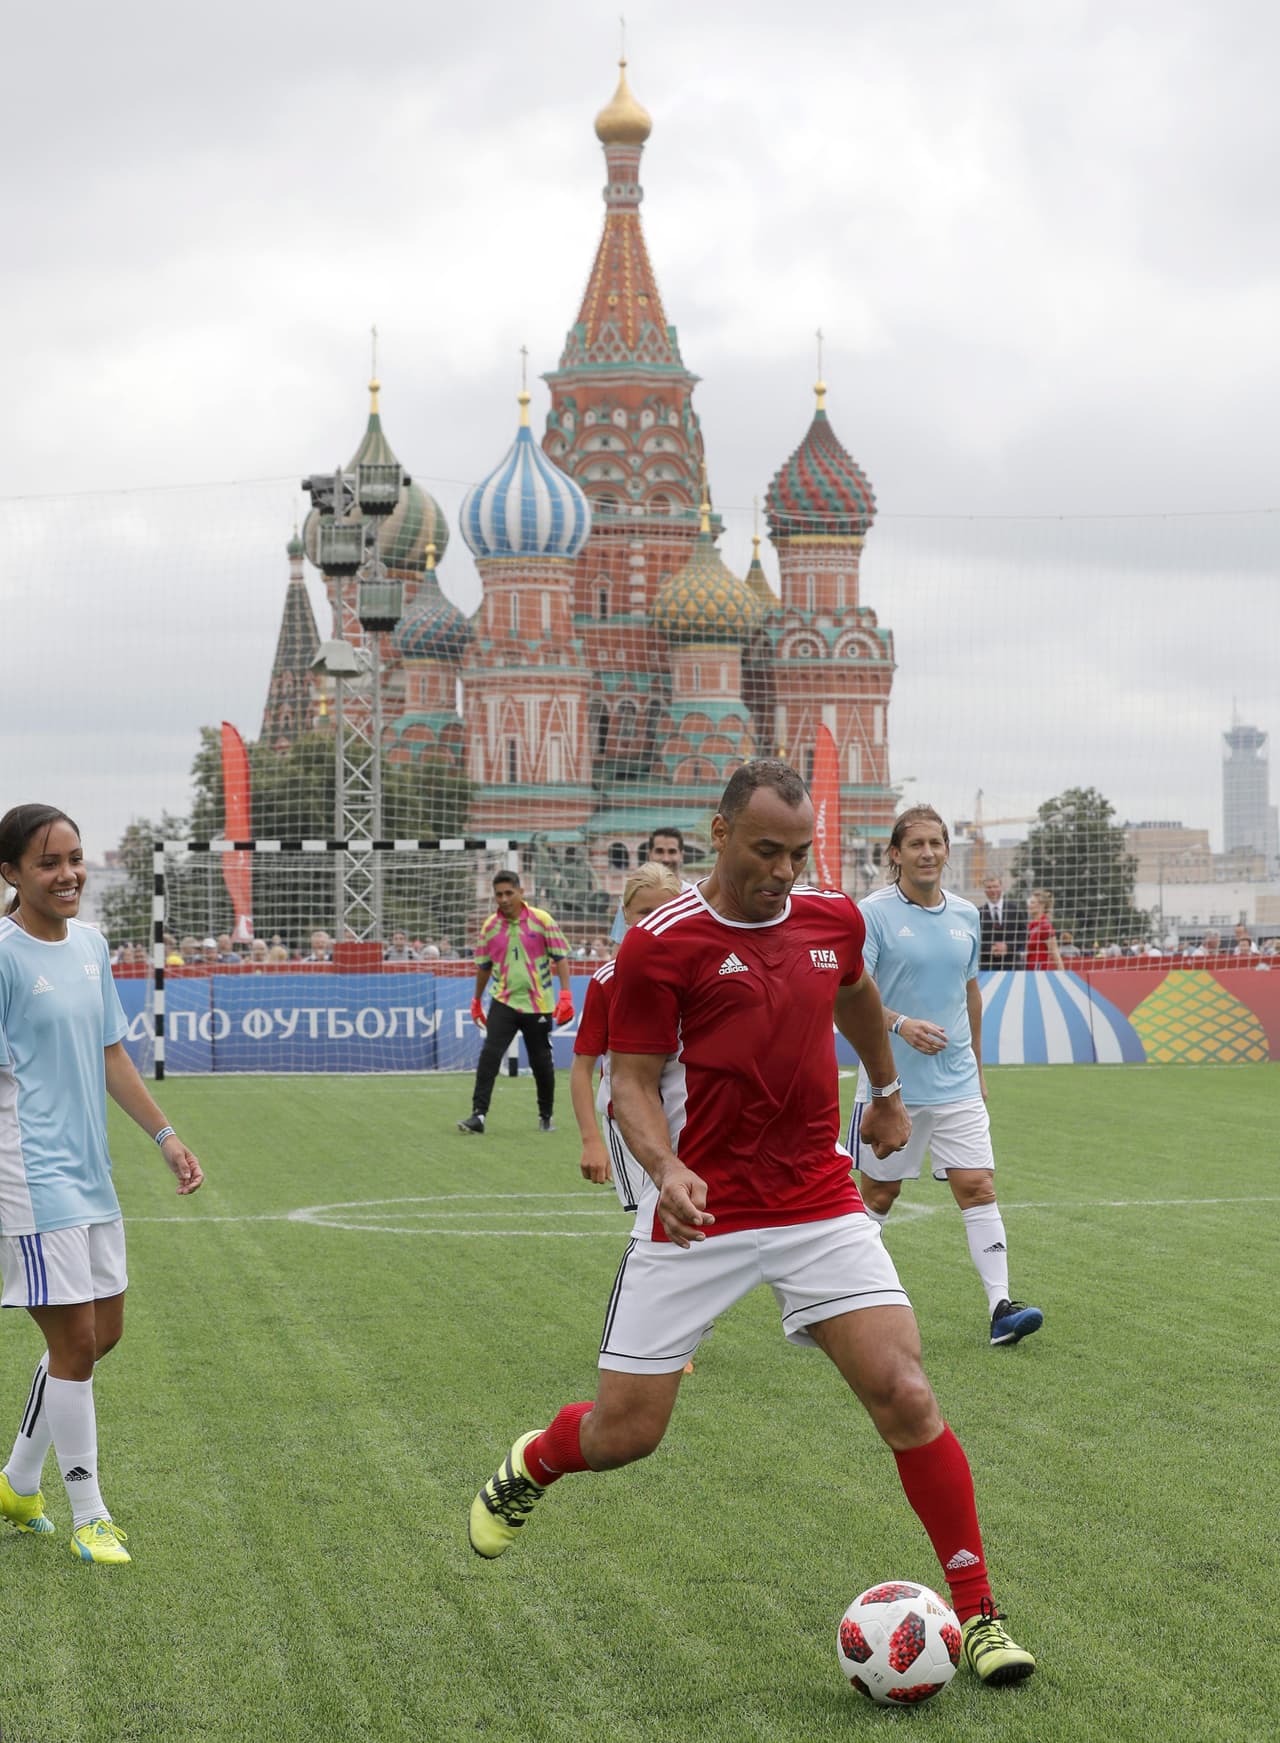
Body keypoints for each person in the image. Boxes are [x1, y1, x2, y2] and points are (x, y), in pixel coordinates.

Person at [467, 761, 1036, 1688]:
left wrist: (887, 1091)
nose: (782, 870)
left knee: (907, 1392)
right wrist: (666, 1167)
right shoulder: (661, 943)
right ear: (720, 831)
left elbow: (852, 991)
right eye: (765, 850)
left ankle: (978, 1616)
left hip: (817, 1201)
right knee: (626, 1433)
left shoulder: (829, 919)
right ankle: (533, 1459)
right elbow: (632, 1083)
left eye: (797, 853)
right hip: (701, 1210)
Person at [0, 804, 204, 1565]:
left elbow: (112, 1052)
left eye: (75, 857)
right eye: (48, 862)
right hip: (28, 1176)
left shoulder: (90, 943)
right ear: (11, 873)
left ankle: (19, 1479)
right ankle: (90, 1511)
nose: (68, 874)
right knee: (75, 1342)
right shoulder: (3, 956)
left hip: (91, 1172)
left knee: (101, 1335)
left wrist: (165, 1134)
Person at [847, 806, 1043, 1349]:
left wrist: (978, 1067)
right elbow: (852, 994)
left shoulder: (966, 915)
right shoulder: (873, 913)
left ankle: (1002, 1308)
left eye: (936, 843)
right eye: (916, 845)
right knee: (878, 1196)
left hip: (957, 1084)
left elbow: (969, 992)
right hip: (892, 1088)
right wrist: (900, 1024)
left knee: (978, 1187)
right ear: (896, 854)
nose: (928, 853)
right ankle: (843, 1303)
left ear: (946, 851)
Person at [457, 871, 575, 1135]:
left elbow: (561, 957)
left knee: (541, 1062)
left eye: (509, 893)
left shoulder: (541, 920)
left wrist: (566, 994)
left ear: (521, 892)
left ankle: (546, 1116)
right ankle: (478, 1116)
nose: (504, 899)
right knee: (489, 1056)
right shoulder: (490, 927)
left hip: (538, 1005)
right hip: (503, 1002)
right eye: (499, 894)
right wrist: (476, 999)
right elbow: (484, 967)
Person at [608, 827, 689, 951]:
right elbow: (619, 949)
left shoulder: (693, 896)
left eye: (672, 851)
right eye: (659, 851)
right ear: (650, 854)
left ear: (681, 855)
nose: (666, 858)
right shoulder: (633, 895)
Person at [978, 876, 1025, 971]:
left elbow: (1024, 934)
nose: (992, 890)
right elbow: (975, 938)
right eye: (989, 887)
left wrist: (1008, 947)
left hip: (1012, 964)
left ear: (1001, 888)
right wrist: (989, 949)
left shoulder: (1015, 909)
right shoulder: (978, 913)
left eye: (995, 886)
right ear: (985, 890)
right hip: (987, 966)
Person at [1023, 890, 1063, 971]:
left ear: (1042, 905)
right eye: (1030, 902)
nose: (1029, 905)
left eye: (1032, 903)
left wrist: (1063, 976)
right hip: (1027, 969)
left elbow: (1055, 952)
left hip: (1038, 970)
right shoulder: (1031, 925)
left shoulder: (1045, 926)